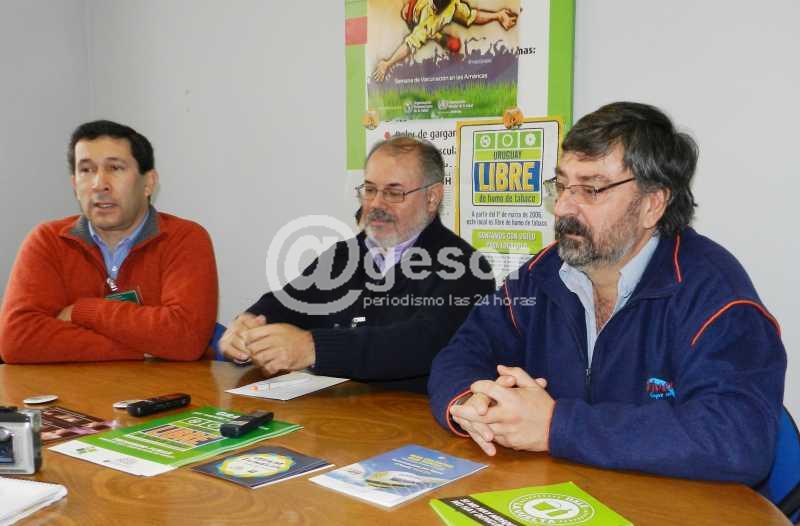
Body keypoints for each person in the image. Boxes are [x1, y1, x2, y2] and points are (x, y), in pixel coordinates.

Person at [429, 102, 787, 485]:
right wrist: (471, 402)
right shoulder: (542, 273)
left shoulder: (715, 294)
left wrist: (556, 426)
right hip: (562, 492)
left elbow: (739, 439)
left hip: (667, 505)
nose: (562, 208)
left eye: (591, 189)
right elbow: (464, 351)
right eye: (561, 186)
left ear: (652, 205)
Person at [220, 136, 495, 392]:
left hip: (413, 418)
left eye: (393, 193)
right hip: (335, 413)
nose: (376, 204)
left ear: (432, 197)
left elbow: (422, 342)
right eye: (370, 190)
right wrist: (248, 327)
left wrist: (313, 348)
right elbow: (290, 302)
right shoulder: (343, 256)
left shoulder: (466, 268)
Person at [0, 120, 218, 363]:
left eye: (115, 168)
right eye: (86, 170)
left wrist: (84, 311)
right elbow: (16, 339)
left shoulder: (184, 238)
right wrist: (148, 348)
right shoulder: (48, 240)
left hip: (167, 386)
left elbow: (185, 338)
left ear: (148, 183)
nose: (99, 184)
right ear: (74, 185)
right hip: (72, 387)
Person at [372, 0, 518, 82]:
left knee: (454, 44)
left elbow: (471, 16)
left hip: (427, 20)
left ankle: (434, 35)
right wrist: (387, 63)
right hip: (419, 19)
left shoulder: (451, 6)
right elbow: (410, 44)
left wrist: (498, 16)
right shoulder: (427, 19)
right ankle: (433, 34)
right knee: (434, 34)